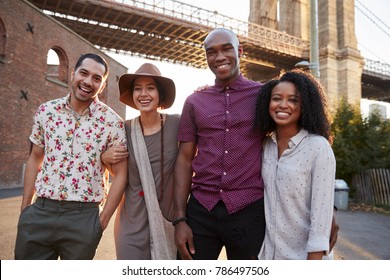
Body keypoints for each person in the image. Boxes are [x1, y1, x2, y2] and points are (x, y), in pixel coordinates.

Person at [14, 53, 128, 260]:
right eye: (83, 73)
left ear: (102, 86)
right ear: (72, 73)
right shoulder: (46, 111)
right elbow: (35, 158)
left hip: (83, 218)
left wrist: (101, 222)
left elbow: (121, 174)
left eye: (96, 78)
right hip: (40, 211)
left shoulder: (113, 122)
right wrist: (25, 210)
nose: (88, 82)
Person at [173, 27, 266, 260]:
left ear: (240, 51)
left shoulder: (264, 96)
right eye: (211, 52)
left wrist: (326, 209)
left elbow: (293, 146)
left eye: (227, 49)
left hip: (249, 211)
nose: (220, 57)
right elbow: (184, 160)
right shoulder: (194, 101)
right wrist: (180, 219)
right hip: (200, 210)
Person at [254, 69, 336, 260]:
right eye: (276, 98)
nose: (283, 105)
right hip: (269, 256)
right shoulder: (266, 145)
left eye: (293, 100)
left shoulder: (318, 147)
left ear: (305, 105)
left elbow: (321, 219)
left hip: (303, 258)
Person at [101, 63, 179, 260]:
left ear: (160, 93)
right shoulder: (122, 129)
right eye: (138, 88)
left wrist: (202, 92)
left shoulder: (177, 123)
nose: (144, 94)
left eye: (150, 88)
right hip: (131, 225)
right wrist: (103, 157)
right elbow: (117, 172)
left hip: (168, 222)